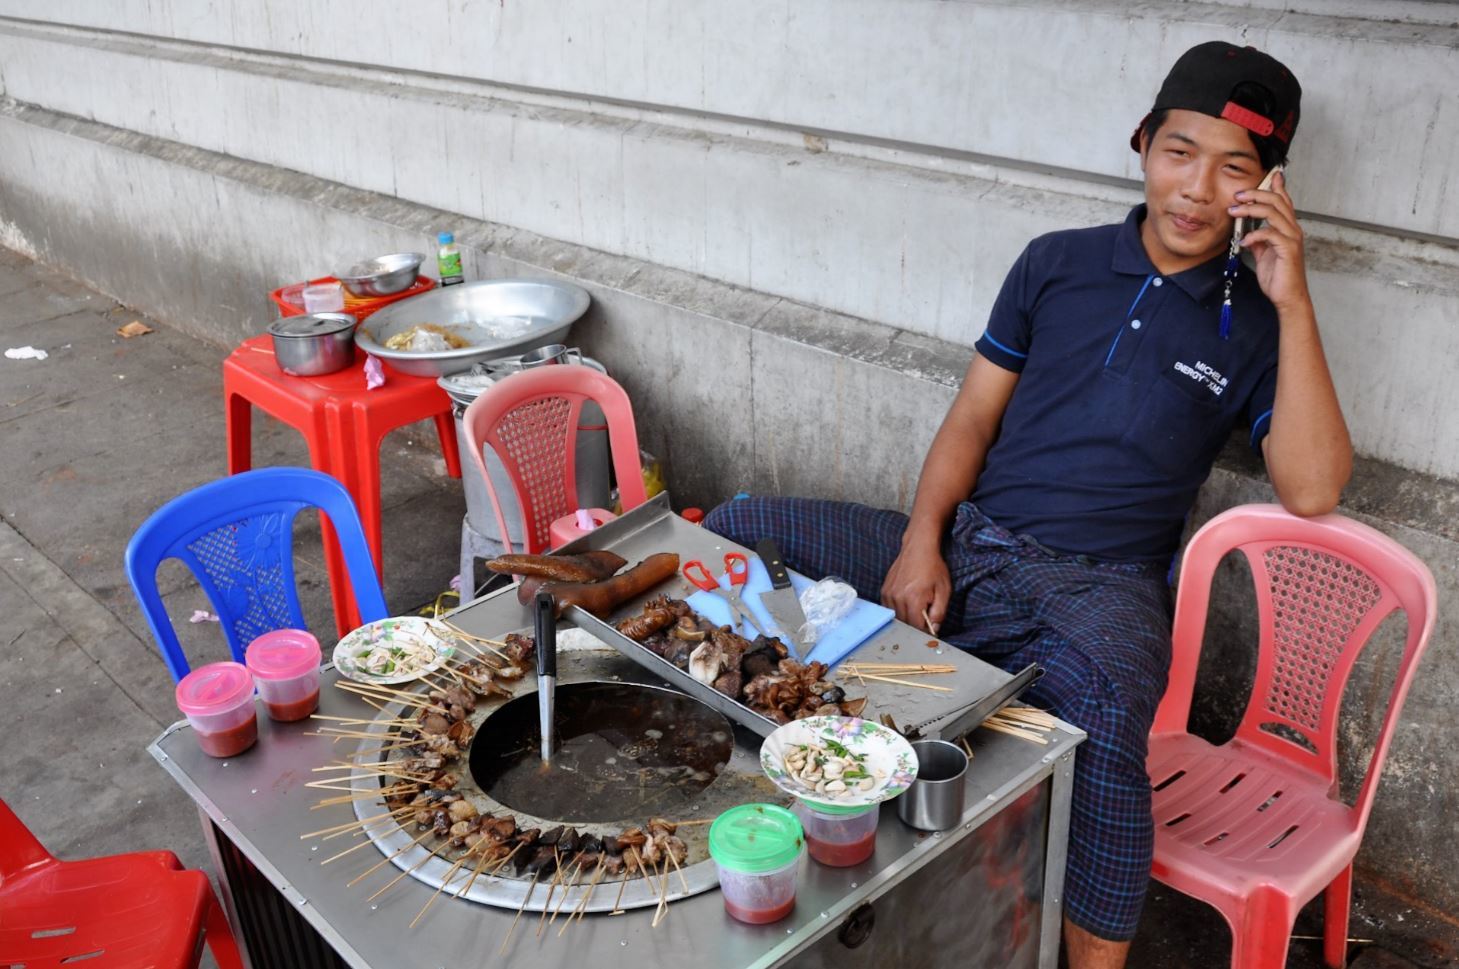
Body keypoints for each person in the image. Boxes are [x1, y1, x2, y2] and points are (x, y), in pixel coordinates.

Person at [705, 41, 1351, 969]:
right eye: (1178, 151)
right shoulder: (1055, 264)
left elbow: (1314, 485)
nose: (1196, 188)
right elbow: (971, 417)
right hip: (970, 547)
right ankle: (784, 763)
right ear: (1142, 143)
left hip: (1103, 590)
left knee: (1105, 727)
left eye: (1232, 168)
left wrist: (1293, 303)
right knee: (739, 526)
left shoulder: (1251, 318)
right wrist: (922, 539)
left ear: (1265, 186)